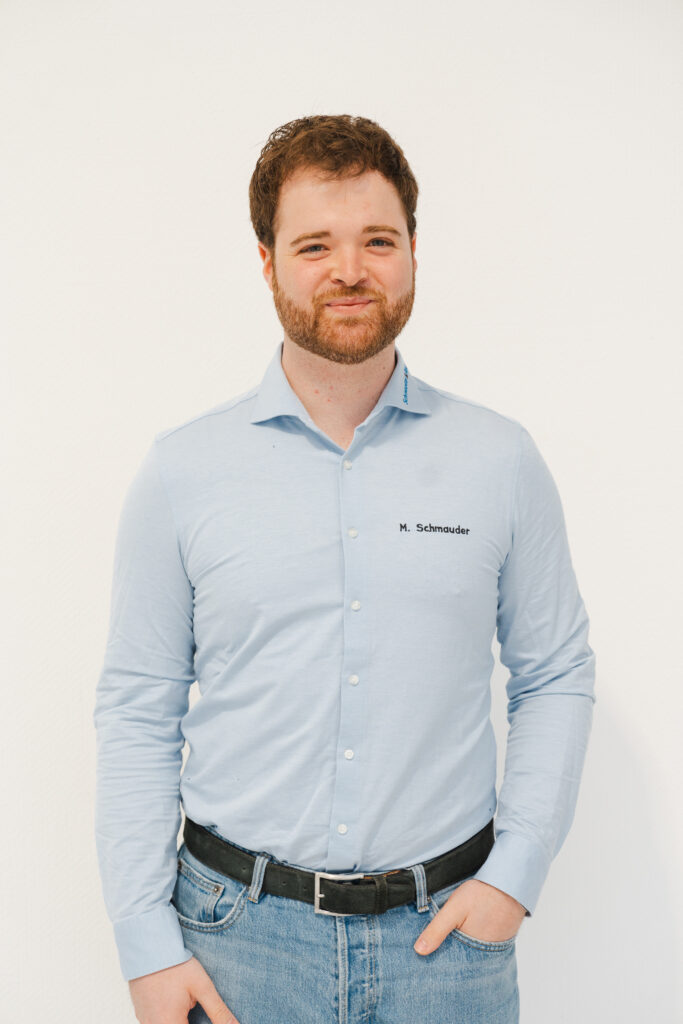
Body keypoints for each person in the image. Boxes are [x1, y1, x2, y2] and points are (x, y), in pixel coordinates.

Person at [93, 114, 596, 1024]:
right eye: (314, 244)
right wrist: (145, 944)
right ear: (267, 262)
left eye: (378, 240)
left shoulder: (500, 460)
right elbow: (138, 706)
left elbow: (554, 672)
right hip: (234, 943)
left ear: (413, 251)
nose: (349, 270)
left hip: (448, 946)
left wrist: (513, 877)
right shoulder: (181, 472)